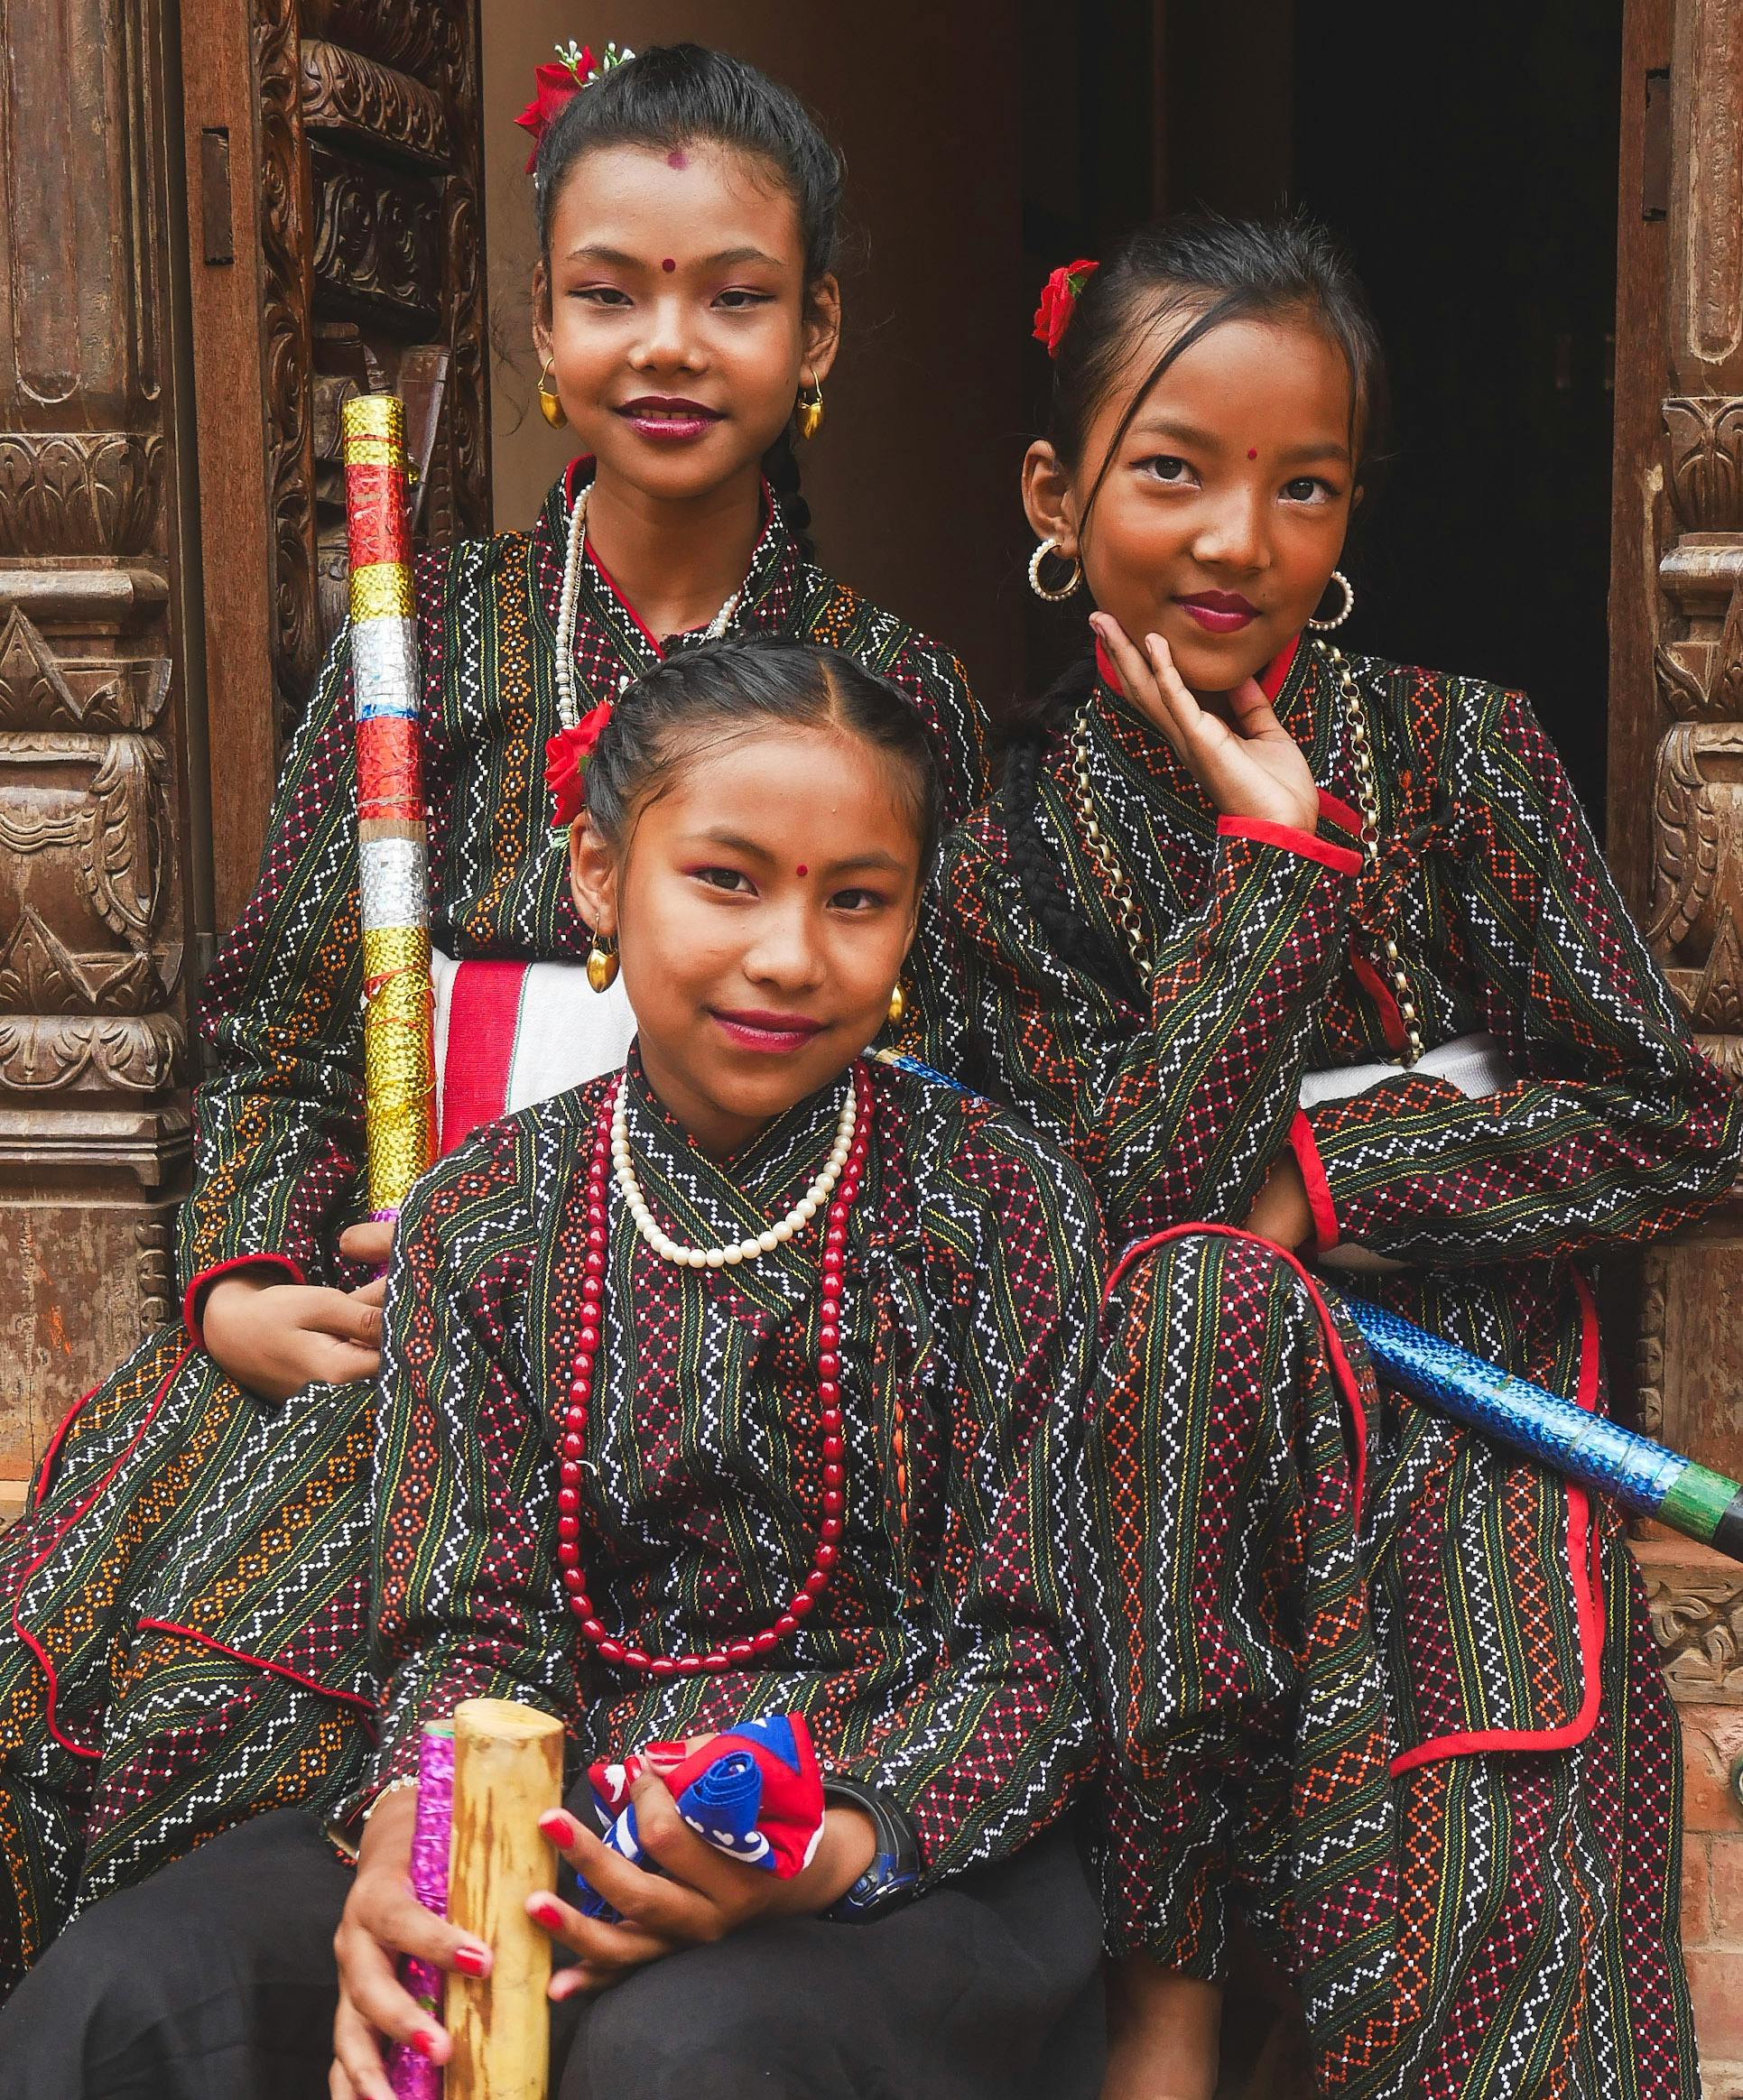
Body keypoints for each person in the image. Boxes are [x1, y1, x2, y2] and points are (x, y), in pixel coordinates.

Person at [0, 42, 985, 1992]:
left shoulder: (893, 694)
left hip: (714, 1352)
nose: (669, 344)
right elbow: (286, 1040)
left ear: (820, 331)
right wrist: (238, 1287)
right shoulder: (424, 641)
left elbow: (932, 1081)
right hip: (391, 1342)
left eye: (736, 293)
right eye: (610, 290)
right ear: (539, 322)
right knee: (114, 1686)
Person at [0, 637, 1104, 2100]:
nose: (790, 952)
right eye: (728, 877)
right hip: (543, 1814)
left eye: (858, 900)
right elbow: (467, 1621)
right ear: (597, 876)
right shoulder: (493, 1209)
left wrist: (817, 1843)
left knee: (681, 2058)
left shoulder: (999, 1200)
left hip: (893, 1851)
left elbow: (1041, 1659)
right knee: (133, 1994)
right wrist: (422, 1835)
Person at [910, 213, 1743, 2098]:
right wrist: (1283, 884)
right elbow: (1108, 1219)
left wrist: (1336, 1182)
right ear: (1057, 488)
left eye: (1305, 488)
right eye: (1176, 472)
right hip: (1170, 1454)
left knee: (1483, 1852)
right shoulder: (1000, 856)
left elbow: (1673, 1118)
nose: (1237, 541)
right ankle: (1165, 2010)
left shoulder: (1464, 756)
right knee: (1189, 1303)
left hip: (1470, 1421)